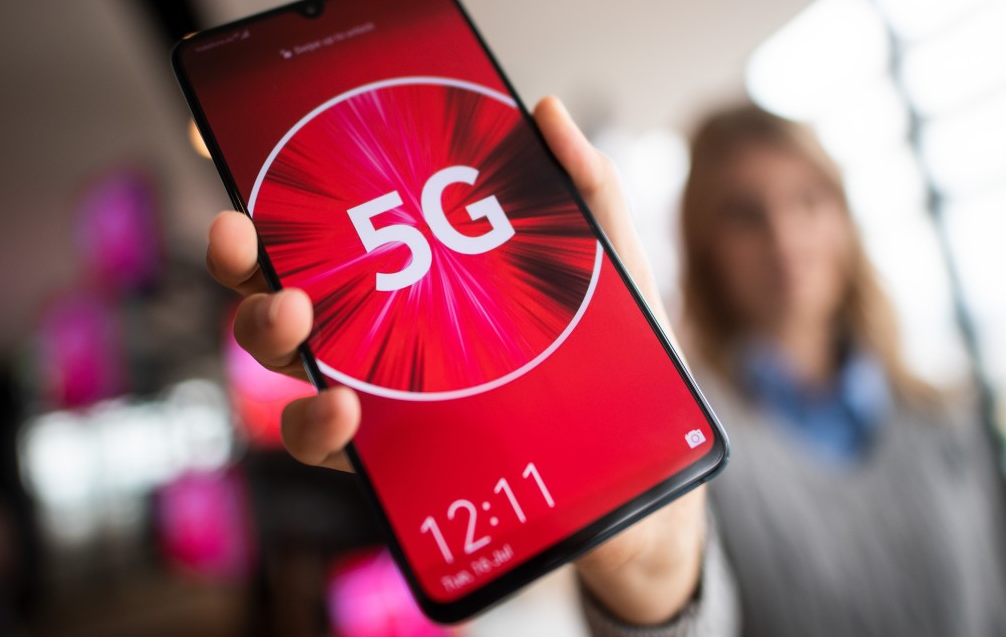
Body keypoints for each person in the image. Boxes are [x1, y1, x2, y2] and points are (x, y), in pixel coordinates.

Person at [206, 98, 1006, 636]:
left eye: (808, 200)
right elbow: (694, 613)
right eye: (745, 213)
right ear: (703, 245)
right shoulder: (678, 426)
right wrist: (650, 574)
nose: (785, 234)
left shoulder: (950, 412)